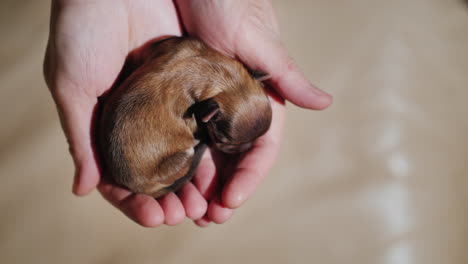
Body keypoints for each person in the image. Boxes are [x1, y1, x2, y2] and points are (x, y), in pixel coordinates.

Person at [43, 0, 332, 227]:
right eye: (225, 139)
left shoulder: (189, 49)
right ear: (208, 114)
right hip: (151, 169)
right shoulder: (192, 101)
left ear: (254, 76)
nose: (231, 148)